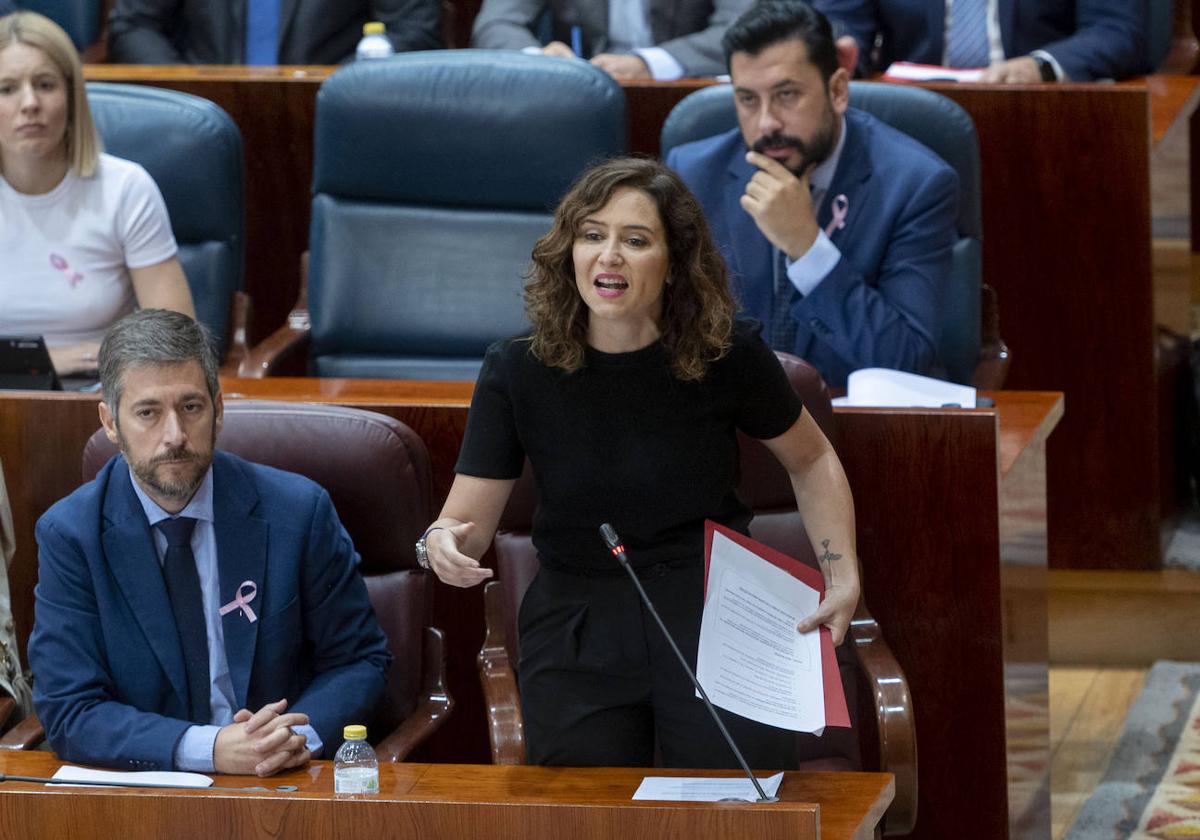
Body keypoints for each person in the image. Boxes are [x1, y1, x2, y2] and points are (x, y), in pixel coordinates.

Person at [419, 157, 860, 769]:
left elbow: (812, 461)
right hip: (578, 620)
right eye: (592, 235)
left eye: (635, 240)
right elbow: (463, 522)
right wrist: (439, 543)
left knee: (736, 811)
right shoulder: (518, 369)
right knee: (587, 817)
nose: (609, 256)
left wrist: (841, 575)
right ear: (567, 252)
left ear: (675, 261)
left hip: (715, 607)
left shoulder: (726, 353)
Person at [28, 309, 391, 774]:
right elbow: (70, 710)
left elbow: (360, 661)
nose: (174, 436)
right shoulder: (72, 535)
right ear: (111, 422)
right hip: (148, 792)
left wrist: (292, 739)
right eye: (148, 413)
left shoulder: (297, 512)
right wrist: (209, 748)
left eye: (191, 407)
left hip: (282, 782)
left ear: (218, 410)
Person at [667, 0, 958, 387]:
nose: (767, 122)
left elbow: (905, 360)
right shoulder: (694, 173)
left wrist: (807, 247)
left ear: (837, 90)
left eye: (787, 95)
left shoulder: (915, 184)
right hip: (733, 428)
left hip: (859, 430)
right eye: (748, 99)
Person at [0, 12, 194, 377]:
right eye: (6, 89)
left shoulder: (125, 189)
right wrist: (45, 361)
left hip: (101, 392)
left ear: (71, 97)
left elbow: (176, 343)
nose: (29, 103)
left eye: (44, 84)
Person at [813, 0, 1145, 82]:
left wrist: (1041, 65)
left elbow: (1115, 29)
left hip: (1040, 108)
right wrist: (841, 51)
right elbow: (841, 20)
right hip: (914, 106)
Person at [471, 0, 753, 79]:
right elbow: (496, 24)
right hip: (579, 99)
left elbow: (743, 28)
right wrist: (540, 61)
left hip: (677, 93)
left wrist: (647, 64)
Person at [107, 0, 441, 65]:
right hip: (199, 129)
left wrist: (341, 89)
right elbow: (135, 25)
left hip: (336, 121)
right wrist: (190, 96)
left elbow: (414, 30)